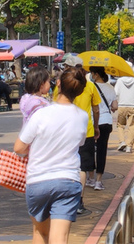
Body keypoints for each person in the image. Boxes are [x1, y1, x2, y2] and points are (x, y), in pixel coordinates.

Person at [14, 67, 89, 244]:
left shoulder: (41, 114)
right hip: (67, 180)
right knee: (59, 238)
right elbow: (80, 143)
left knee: (40, 233)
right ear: (80, 90)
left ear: (59, 84)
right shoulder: (83, 117)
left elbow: (19, 147)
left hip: (38, 180)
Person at [53, 54, 100, 217]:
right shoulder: (90, 86)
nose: (64, 68)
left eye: (66, 66)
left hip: (63, 132)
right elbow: (96, 109)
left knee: (64, 164)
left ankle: (63, 199)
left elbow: (55, 105)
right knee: (82, 168)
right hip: (85, 131)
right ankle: (78, 201)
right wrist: (96, 127)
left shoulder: (60, 86)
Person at [88, 67, 116, 191]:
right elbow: (115, 106)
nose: (91, 76)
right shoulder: (110, 88)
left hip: (92, 122)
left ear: (96, 74)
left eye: (92, 73)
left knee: (88, 150)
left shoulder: (90, 87)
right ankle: (99, 181)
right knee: (102, 150)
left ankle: (90, 178)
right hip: (106, 122)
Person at [113, 69, 134, 153]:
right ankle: (129, 146)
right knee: (132, 126)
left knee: (120, 125)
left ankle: (122, 141)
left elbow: (116, 93)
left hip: (121, 105)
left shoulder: (119, 80)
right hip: (133, 106)